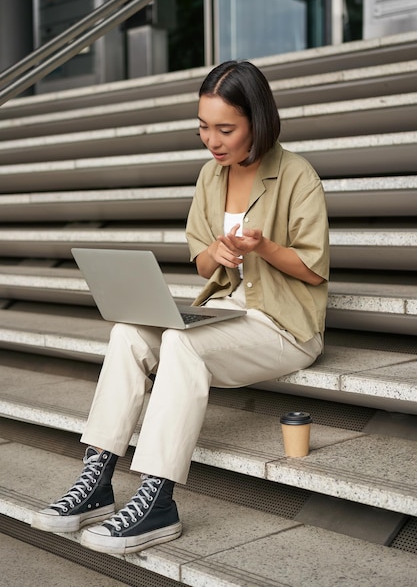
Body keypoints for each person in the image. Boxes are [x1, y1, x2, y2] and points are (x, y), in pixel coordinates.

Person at [31, 60, 329, 555]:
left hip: (282, 324)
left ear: (257, 120)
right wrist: (218, 252)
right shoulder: (211, 177)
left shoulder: (297, 175)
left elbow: (314, 269)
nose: (211, 139)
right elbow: (201, 259)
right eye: (203, 127)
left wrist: (262, 247)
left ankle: (158, 501)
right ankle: (97, 480)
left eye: (225, 129)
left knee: (180, 345)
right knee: (128, 333)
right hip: (226, 314)